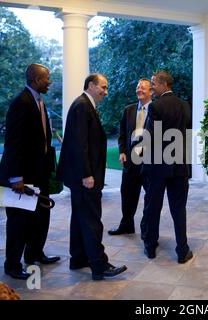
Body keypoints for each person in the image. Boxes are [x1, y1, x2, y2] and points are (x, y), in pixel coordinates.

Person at [57, 73, 127, 281]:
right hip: (84, 177)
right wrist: (87, 173)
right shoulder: (82, 106)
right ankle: (99, 265)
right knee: (92, 220)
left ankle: (78, 258)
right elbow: (80, 144)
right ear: (90, 85)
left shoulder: (84, 105)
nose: (106, 92)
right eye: (103, 87)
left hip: (81, 175)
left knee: (80, 218)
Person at [0, 63, 60, 280]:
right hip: (21, 175)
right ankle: (12, 264)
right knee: (19, 221)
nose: (50, 82)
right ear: (36, 79)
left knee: (41, 215)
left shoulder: (39, 102)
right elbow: (13, 142)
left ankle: (34, 254)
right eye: (47, 78)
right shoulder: (21, 103)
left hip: (39, 172)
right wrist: (16, 177)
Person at [141, 71, 193, 263]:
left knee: (153, 207)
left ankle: (150, 247)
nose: (152, 87)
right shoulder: (185, 105)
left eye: (153, 83)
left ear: (163, 84)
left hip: (158, 166)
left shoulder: (155, 106)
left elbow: (150, 137)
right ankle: (182, 250)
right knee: (179, 209)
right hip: (179, 165)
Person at [108, 78, 152, 236]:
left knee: (152, 196)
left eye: (143, 88)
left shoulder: (156, 109)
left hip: (149, 162)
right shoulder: (129, 110)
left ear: (151, 91)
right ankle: (126, 224)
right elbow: (122, 134)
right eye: (137, 87)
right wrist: (122, 152)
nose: (139, 90)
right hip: (130, 161)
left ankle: (148, 229)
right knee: (127, 194)